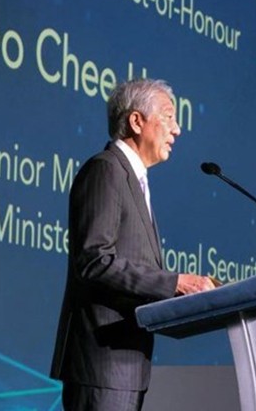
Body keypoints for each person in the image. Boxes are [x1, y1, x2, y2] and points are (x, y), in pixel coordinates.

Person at [50, 78, 216, 411]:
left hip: (125, 364)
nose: (178, 130)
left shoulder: (134, 179)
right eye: (169, 117)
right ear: (136, 121)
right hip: (102, 361)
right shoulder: (106, 170)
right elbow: (94, 261)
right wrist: (174, 282)